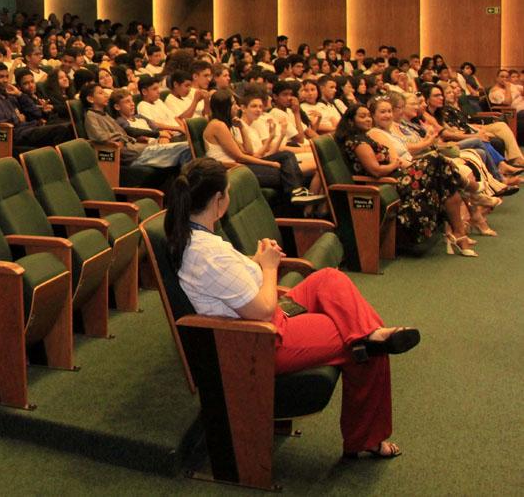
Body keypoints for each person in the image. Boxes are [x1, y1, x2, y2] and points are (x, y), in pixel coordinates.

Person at [164, 157, 418, 460]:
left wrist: (255, 262)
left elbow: (230, 286)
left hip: (265, 318)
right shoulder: (209, 254)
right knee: (363, 343)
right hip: (260, 339)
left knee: (328, 279)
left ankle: (371, 333)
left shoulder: (199, 238)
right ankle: (366, 436)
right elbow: (260, 310)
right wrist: (270, 268)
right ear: (219, 199)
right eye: (229, 193)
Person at [335, 103, 474, 255]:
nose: (368, 119)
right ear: (350, 121)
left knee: (444, 176)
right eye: (363, 116)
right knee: (438, 162)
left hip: (399, 177)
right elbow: (375, 171)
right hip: (392, 182)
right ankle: (467, 197)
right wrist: (394, 163)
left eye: (369, 116)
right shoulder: (358, 142)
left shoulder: (364, 137)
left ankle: (459, 232)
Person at [82, 85, 190, 180]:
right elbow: (99, 137)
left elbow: (124, 134)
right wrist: (120, 137)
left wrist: (125, 137)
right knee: (185, 149)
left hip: (138, 148)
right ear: (90, 99)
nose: (105, 95)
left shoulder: (104, 114)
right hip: (133, 155)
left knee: (186, 148)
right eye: (101, 93)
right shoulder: (91, 116)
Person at [0, 62, 71, 149]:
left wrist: (20, 94)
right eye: (1, 77)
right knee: (60, 130)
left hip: (28, 127)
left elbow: (36, 112)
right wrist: (16, 118)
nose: (6, 80)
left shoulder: (9, 92)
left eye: (7, 76)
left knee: (69, 127)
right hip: (14, 133)